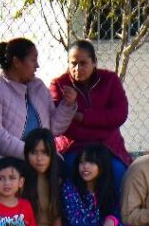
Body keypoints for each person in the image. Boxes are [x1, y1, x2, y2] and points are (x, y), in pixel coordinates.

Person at [49, 40, 131, 188]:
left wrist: (82, 117)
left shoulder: (110, 80)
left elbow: (119, 114)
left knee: (118, 171)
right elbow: (64, 127)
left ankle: (115, 212)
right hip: (74, 146)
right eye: (73, 63)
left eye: (83, 63)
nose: (77, 68)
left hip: (107, 146)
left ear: (94, 62)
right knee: (70, 172)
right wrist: (102, 126)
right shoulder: (60, 85)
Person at [0, 37, 77, 159]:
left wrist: (68, 104)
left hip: (41, 159)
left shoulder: (38, 87)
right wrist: (32, 154)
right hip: (9, 162)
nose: (37, 65)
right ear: (16, 62)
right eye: (33, 60)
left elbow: (54, 128)